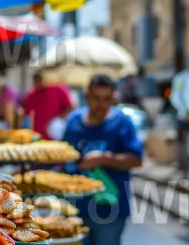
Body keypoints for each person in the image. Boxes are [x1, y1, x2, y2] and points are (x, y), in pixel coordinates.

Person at [62, 74, 143, 245]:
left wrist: (103, 158)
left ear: (114, 98)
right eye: (96, 98)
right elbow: (63, 157)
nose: (101, 105)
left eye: (106, 99)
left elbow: (136, 159)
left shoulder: (122, 122)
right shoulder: (73, 122)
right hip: (75, 209)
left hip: (111, 212)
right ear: (86, 96)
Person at [23, 70, 73, 139]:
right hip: (38, 137)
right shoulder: (31, 94)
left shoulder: (57, 89)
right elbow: (25, 113)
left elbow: (70, 107)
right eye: (36, 80)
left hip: (56, 135)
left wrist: (56, 119)